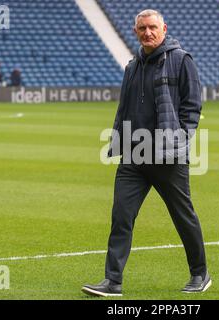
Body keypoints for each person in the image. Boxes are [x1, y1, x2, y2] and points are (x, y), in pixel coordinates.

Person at [81, 9, 210, 297]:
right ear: (135, 31)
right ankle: (112, 281)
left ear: (164, 28)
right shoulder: (132, 66)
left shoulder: (181, 60)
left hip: (168, 156)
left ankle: (200, 273)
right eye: (142, 29)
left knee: (182, 216)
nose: (148, 33)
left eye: (153, 27)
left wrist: (181, 138)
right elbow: (124, 109)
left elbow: (192, 106)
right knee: (121, 216)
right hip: (134, 156)